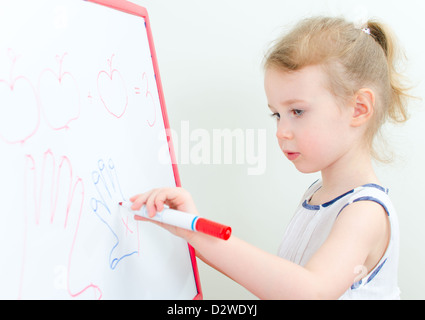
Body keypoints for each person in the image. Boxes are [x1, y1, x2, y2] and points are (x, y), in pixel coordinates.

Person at [130, 16, 412, 300]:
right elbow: (279, 285)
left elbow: (309, 292)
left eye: (297, 112)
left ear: (359, 109)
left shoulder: (365, 212)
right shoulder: (317, 195)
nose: (281, 131)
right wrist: (191, 226)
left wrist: (196, 233)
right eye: (277, 114)